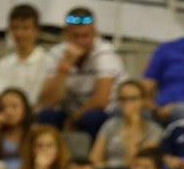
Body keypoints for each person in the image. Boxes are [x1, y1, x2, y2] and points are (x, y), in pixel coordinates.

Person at [36, 7, 126, 138]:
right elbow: (49, 101)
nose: (80, 42)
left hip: (106, 111)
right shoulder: (56, 54)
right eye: (75, 36)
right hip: (71, 109)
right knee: (47, 115)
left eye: (85, 36)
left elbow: (101, 100)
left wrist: (74, 118)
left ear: (94, 33)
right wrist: (65, 67)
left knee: (93, 117)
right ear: (66, 33)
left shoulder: (105, 52)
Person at [92, 80, 164, 169]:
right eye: (123, 99)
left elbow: (136, 164)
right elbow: (94, 160)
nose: (127, 103)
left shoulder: (154, 130)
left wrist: (133, 124)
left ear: (142, 101)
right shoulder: (110, 125)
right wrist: (107, 168)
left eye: (133, 99)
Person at [0, 4, 50, 101]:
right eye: (15, 28)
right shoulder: (3, 63)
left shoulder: (47, 61)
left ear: (37, 31)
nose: (20, 33)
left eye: (25, 28)